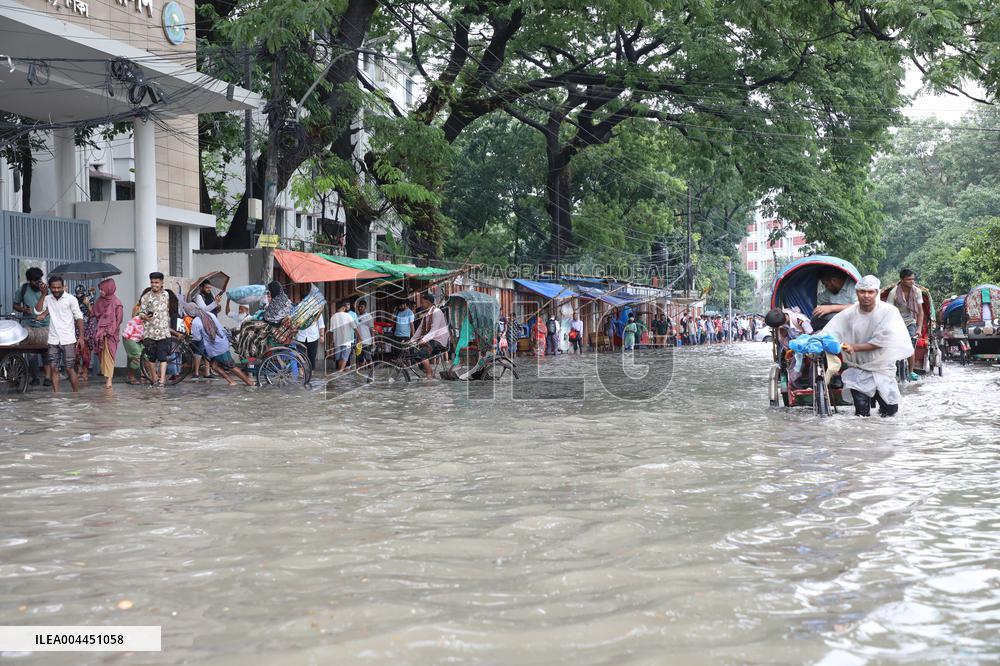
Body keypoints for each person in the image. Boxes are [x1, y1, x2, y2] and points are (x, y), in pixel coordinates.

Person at [824, 275, 914, 417]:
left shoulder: (889, 312)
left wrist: (854, 347)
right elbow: (829, 333)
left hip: (882, 368)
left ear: (877, 293)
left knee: (890, 412)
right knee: (861, 414)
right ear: (856, 293)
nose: (866, 296)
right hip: (858, 369)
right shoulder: (848, 314)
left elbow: (882, 341)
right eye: (862, 291)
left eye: (870, 292)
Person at [32, 276, 84, 393]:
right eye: (53, 288)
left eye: (58, 287)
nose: (56, 290)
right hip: (53, 340)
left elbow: (79, 317)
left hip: (68, 340)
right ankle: (56, 396)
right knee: (54, 368)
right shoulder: (48, 298)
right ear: (49, 287)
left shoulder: (71, 299)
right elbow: (37, 311)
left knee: (69, 368)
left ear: (63, 287)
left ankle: (76, 395)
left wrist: (81, 336)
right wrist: (43, 294)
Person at [184, 303, 252, 386]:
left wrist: (191, 336)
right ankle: (231, 381)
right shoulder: (210, 314)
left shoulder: (196, 322)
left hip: (217, 347)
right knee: (214, 366)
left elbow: (197, 338)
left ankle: (249, 382)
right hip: (222, 341)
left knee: (231, 366)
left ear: (190, 313)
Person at [12, 266, 51, 386]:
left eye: (39, 279)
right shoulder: (23, 289)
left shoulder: (46, 290)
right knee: (31, 353)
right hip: (28, 325)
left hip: (45, 325)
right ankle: (35, 377)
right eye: (35, 280)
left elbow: (52, 306)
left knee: (46, 351)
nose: (38, 282)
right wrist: (24, 309)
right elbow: (15, 305)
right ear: (29, 280)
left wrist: (44, 313)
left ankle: (48, 378)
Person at [85, 278, 123, 389]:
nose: (101, 292)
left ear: (109, 289)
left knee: (110, 355)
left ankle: (109, 380)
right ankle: (107, 378)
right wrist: (88, 304)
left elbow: (119, 319)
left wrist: (111, 331)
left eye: (103, 289)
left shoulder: (117, 303)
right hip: (100, 332)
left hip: (111, 333)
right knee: (102, 355)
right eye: (100, 289)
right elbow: (94, 313)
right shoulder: (100, 301)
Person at [888, 268, 924, 381]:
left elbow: (920, 311)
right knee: (893, 347)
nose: (912, 281)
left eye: (913, 279)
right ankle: (891, 371)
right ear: (902, 280)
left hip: (911, 321)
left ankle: (911, 372)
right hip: (896, 321)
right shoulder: (893, 293)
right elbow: (887, 311)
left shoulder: (917, 291)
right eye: (909, 279)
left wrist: (919, 328)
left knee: (910, 347)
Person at [138, 272, 173, 388]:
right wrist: (143, 316)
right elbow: (141, 312)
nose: (154, 285)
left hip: (163, 332)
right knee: (151, 358)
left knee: (163, 357)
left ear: (162, 283)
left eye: (157, 282)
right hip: (150, 332)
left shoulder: (166, 295)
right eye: (152, 282)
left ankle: (162, 381)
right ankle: (154, 379)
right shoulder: (146, 297)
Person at [409, 292, 449, 379]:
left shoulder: (437, 312)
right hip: (431, 340)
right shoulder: (426, 315)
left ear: (429, 303)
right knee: (416, 355)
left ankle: (429, 373)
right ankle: (428, 372)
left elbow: (434, 330)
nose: (421, 304)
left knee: (422, 353)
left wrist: (424, 339)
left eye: (423, 302)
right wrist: (411, 341)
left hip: (439, 340)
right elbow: (419, 330)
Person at [329, 300, 363, 372]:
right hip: (347, 341)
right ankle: (340, 372)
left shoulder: (333, 317)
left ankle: (340, 372)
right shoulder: (348, 316)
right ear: (344, 308)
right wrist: (360, 337)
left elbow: (331, 331)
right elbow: (355, 328)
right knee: (344, 358)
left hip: (337, 341)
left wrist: (332, 341)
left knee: (339, 358)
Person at [295, 304, 325, 370]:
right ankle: (301, 373)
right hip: (301, 337)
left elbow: (321, 325)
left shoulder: (317, 313)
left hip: (313, 337)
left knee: (312, 356)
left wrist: (322, 336)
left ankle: (311, 373)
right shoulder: (299, 312)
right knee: (300, 355)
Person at [121, 312, 145, 385]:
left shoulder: (149, 322)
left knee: (147, 356)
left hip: (138, 340)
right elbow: (140, 316)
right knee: (137, 356)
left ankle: (152, 376)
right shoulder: (137, 319)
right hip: (130, 339)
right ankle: (131, 376)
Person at [354, 299, 375, 371]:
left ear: (365, 307)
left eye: (362, 307)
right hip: (358, 342)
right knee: (360, 359)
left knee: (368, 358)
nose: (360, 308)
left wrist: (373, 341)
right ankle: (361, 376)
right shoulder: (356, 317)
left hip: (367, 341)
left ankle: (371, 373)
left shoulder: (369, 316)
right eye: (359, 307)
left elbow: (372, 329)